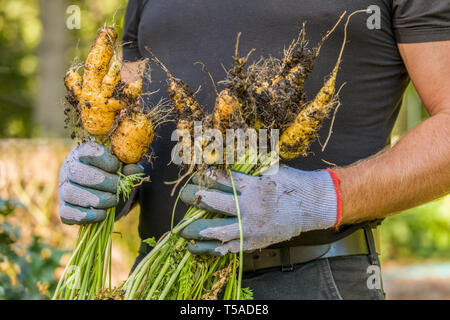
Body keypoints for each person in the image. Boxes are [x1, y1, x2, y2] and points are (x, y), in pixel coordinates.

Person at [58, 0, 450, 299]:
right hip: (160, 273)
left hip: (309, 279)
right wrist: (102, 173)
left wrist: (319, 198)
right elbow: (132, 109)